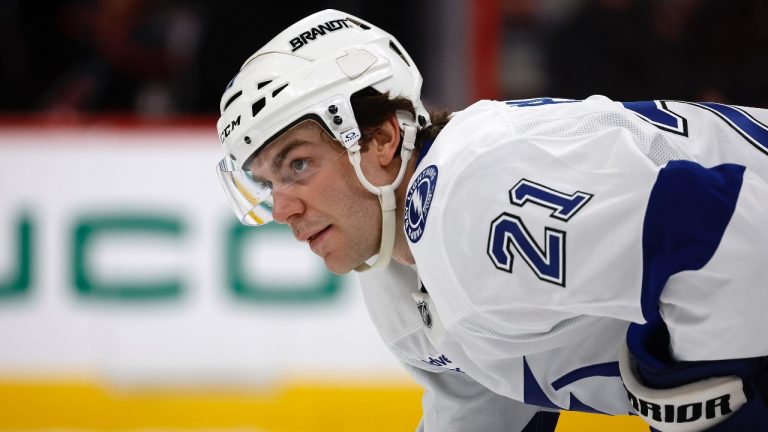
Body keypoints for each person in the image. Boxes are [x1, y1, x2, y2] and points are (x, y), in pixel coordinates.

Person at [214, 9, 768, 432]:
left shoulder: (474, 194)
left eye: (299, 164)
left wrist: (707, 400)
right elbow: (486, 413)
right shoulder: (398, 277)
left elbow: (734, 237)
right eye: (268, 182)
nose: (282, 207)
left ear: (381, 139)